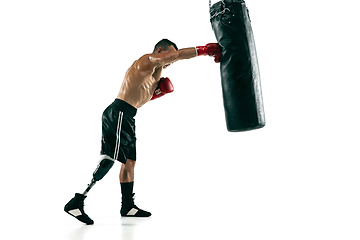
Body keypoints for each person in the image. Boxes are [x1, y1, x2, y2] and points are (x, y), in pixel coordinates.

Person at [64, 39, 221, 224]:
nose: (170, 61)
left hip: (128, 116)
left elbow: (138, 99)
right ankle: (77, 201)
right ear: (160, 50)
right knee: (109, 159)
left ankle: (128, 206)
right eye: (167, 55)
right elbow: (177, 56)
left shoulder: (153, 76)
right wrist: (204, 50)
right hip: (118, 113)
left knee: (129, 162)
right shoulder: (146, 60)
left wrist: (156, 93)